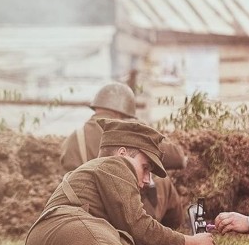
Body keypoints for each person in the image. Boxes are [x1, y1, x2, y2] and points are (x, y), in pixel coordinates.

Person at [15, 118, 215, 245]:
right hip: (62, 228)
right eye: (145, 168)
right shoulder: (115, 165)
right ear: (123, 154)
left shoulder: (104, 172)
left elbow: (107, 234)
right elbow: (138, 226)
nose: (147, 180)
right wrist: (191, 242)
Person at [60, 82, 188, 229]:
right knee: (163, 181)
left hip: (85, 216)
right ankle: (175, 232)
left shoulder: (73, 139)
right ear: (125, 110)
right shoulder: (127, 131)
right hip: (126, 213)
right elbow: (178, 158)